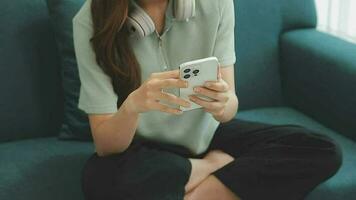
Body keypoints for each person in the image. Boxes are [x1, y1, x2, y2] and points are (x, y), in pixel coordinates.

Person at [73, 0, 343, 199]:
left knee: (320, 150)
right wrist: (132, 106)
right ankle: (213, 165)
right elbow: (106, 146)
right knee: (98, 179)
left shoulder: (215, 3)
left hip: (206, 134)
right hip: (140, 148)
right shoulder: (89, 21)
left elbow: (229, 108)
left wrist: (224, 103)